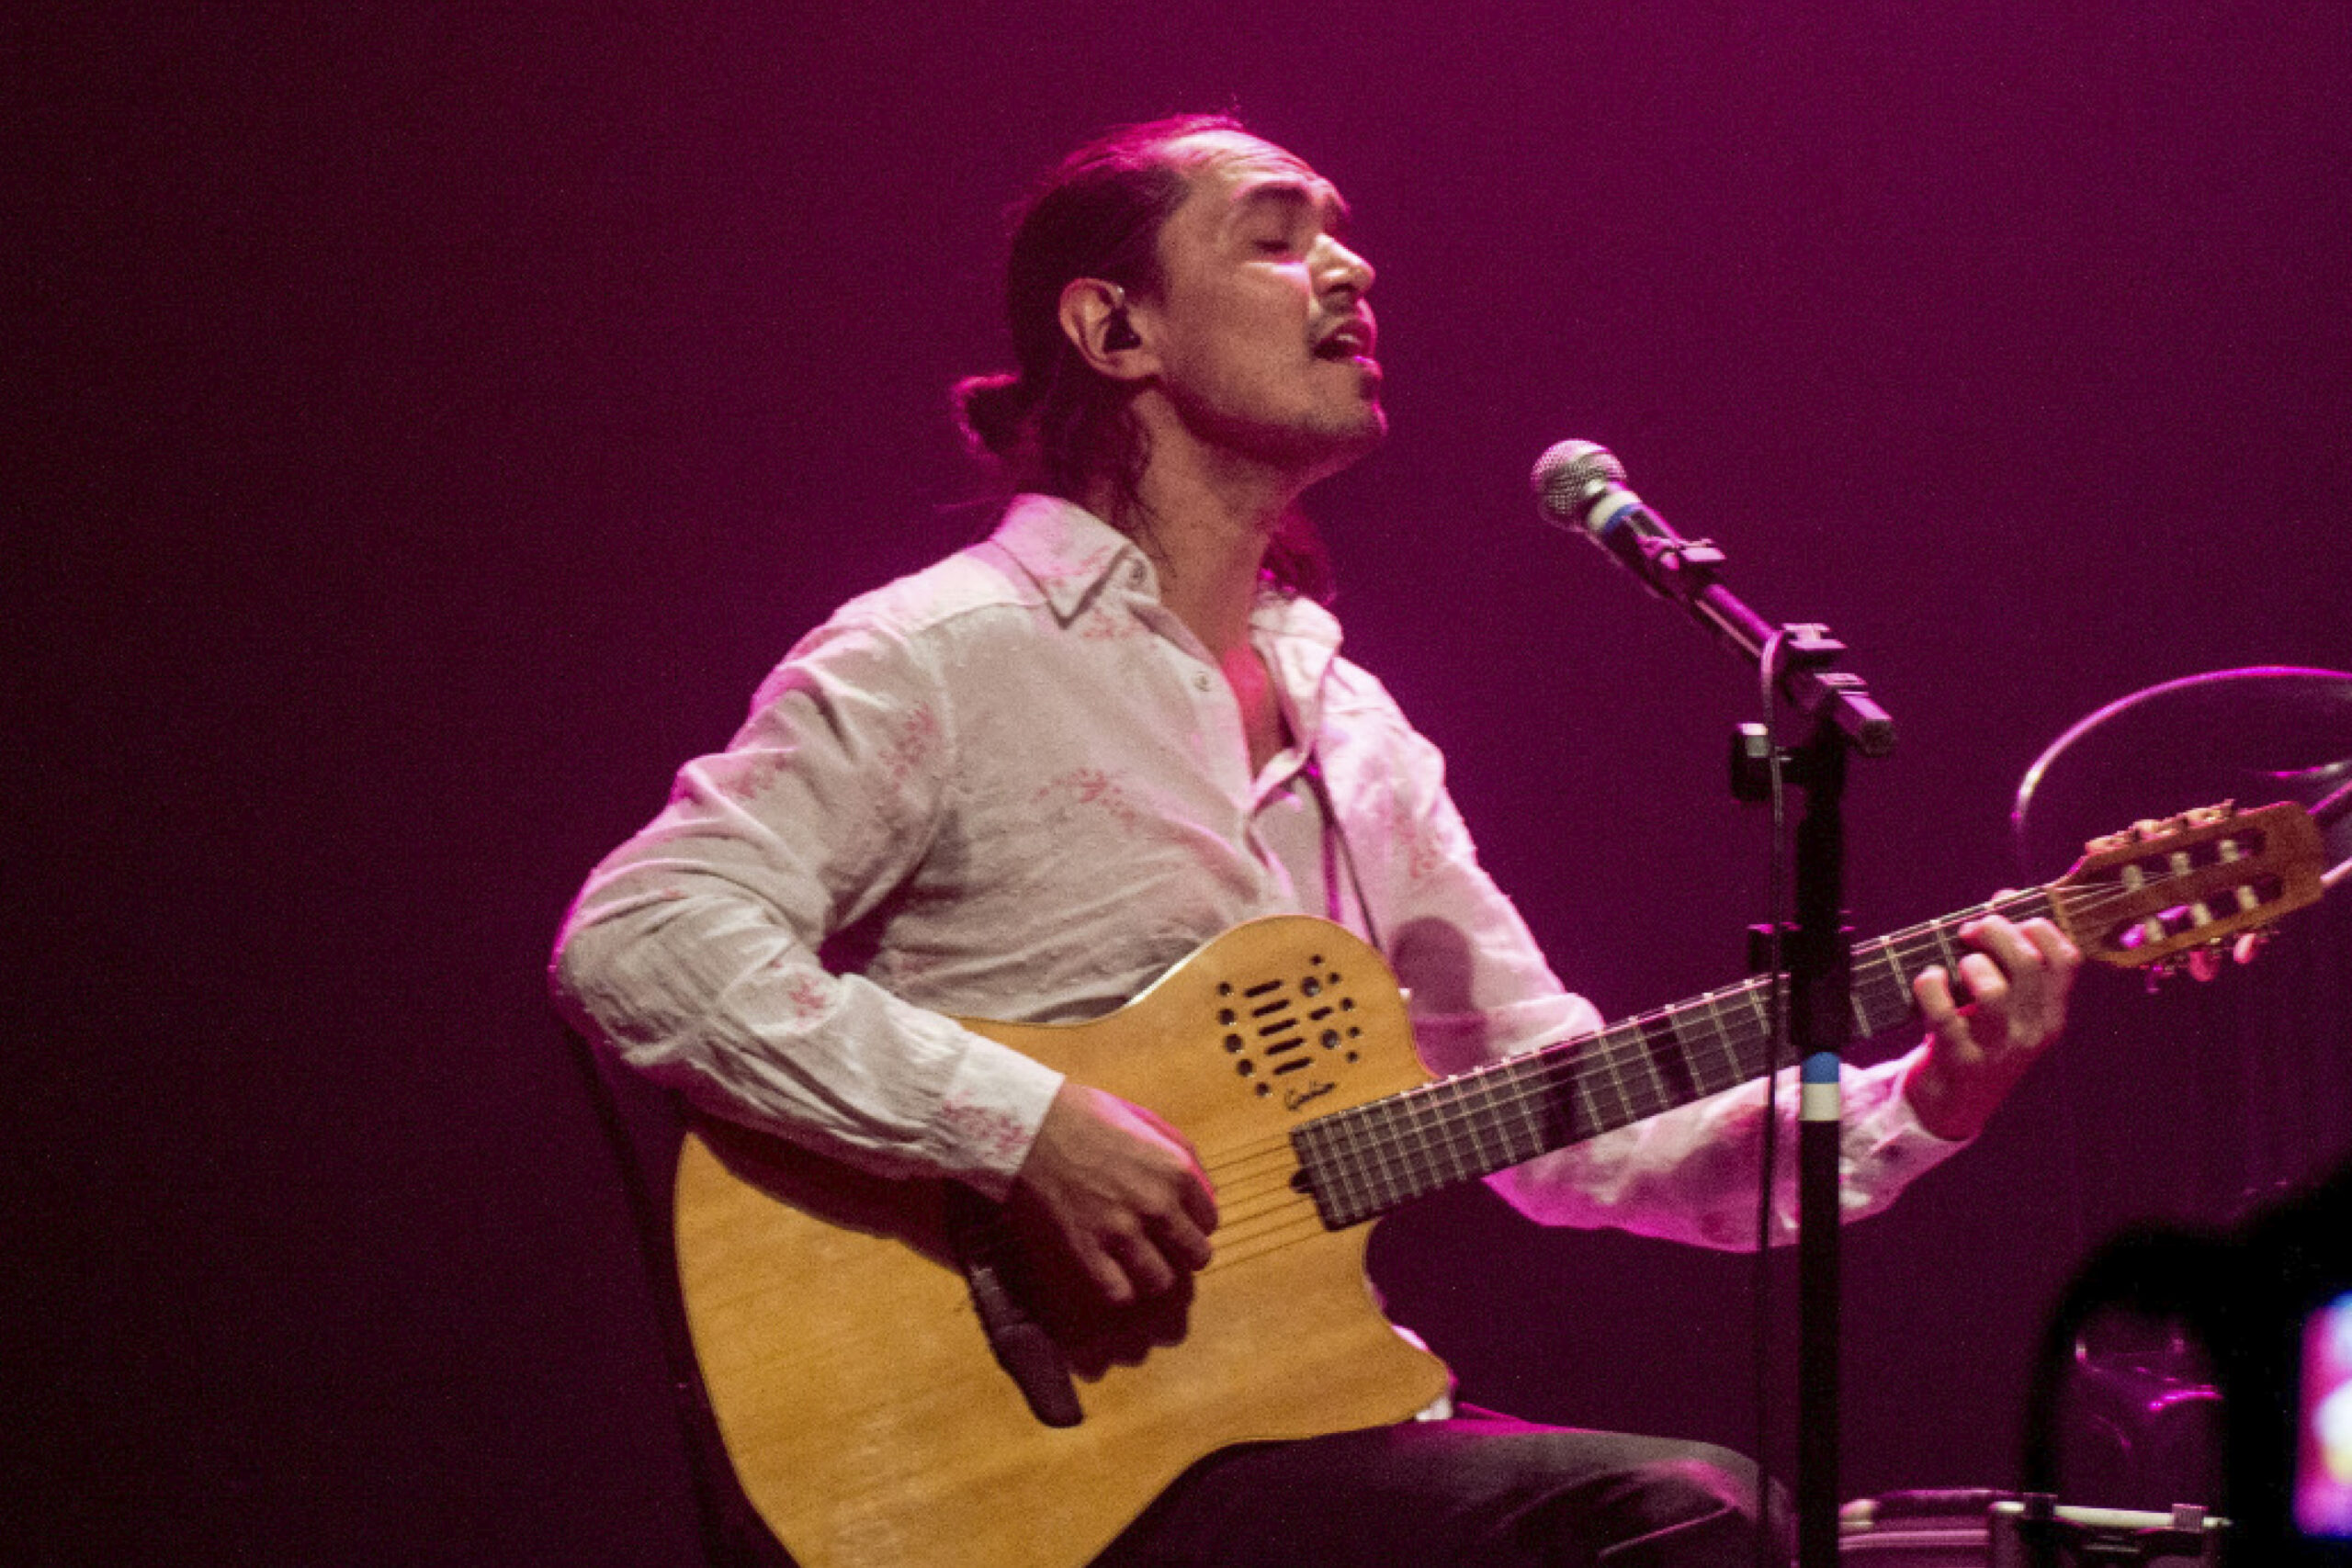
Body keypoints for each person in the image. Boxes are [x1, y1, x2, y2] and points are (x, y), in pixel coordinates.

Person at [551, 113, 2080, 1568]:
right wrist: (1018, 1129)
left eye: (1342, 240)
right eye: (1275, 240)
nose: (1351, 273)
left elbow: (1573, 1122)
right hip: (1011, 1467)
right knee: (1682, 1516)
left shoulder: (1357, 727)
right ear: (1114, 332)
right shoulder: (945, 653)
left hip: (1268, 1427)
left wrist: (1918, 1101)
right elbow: (644, 940)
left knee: (1713, 1515)